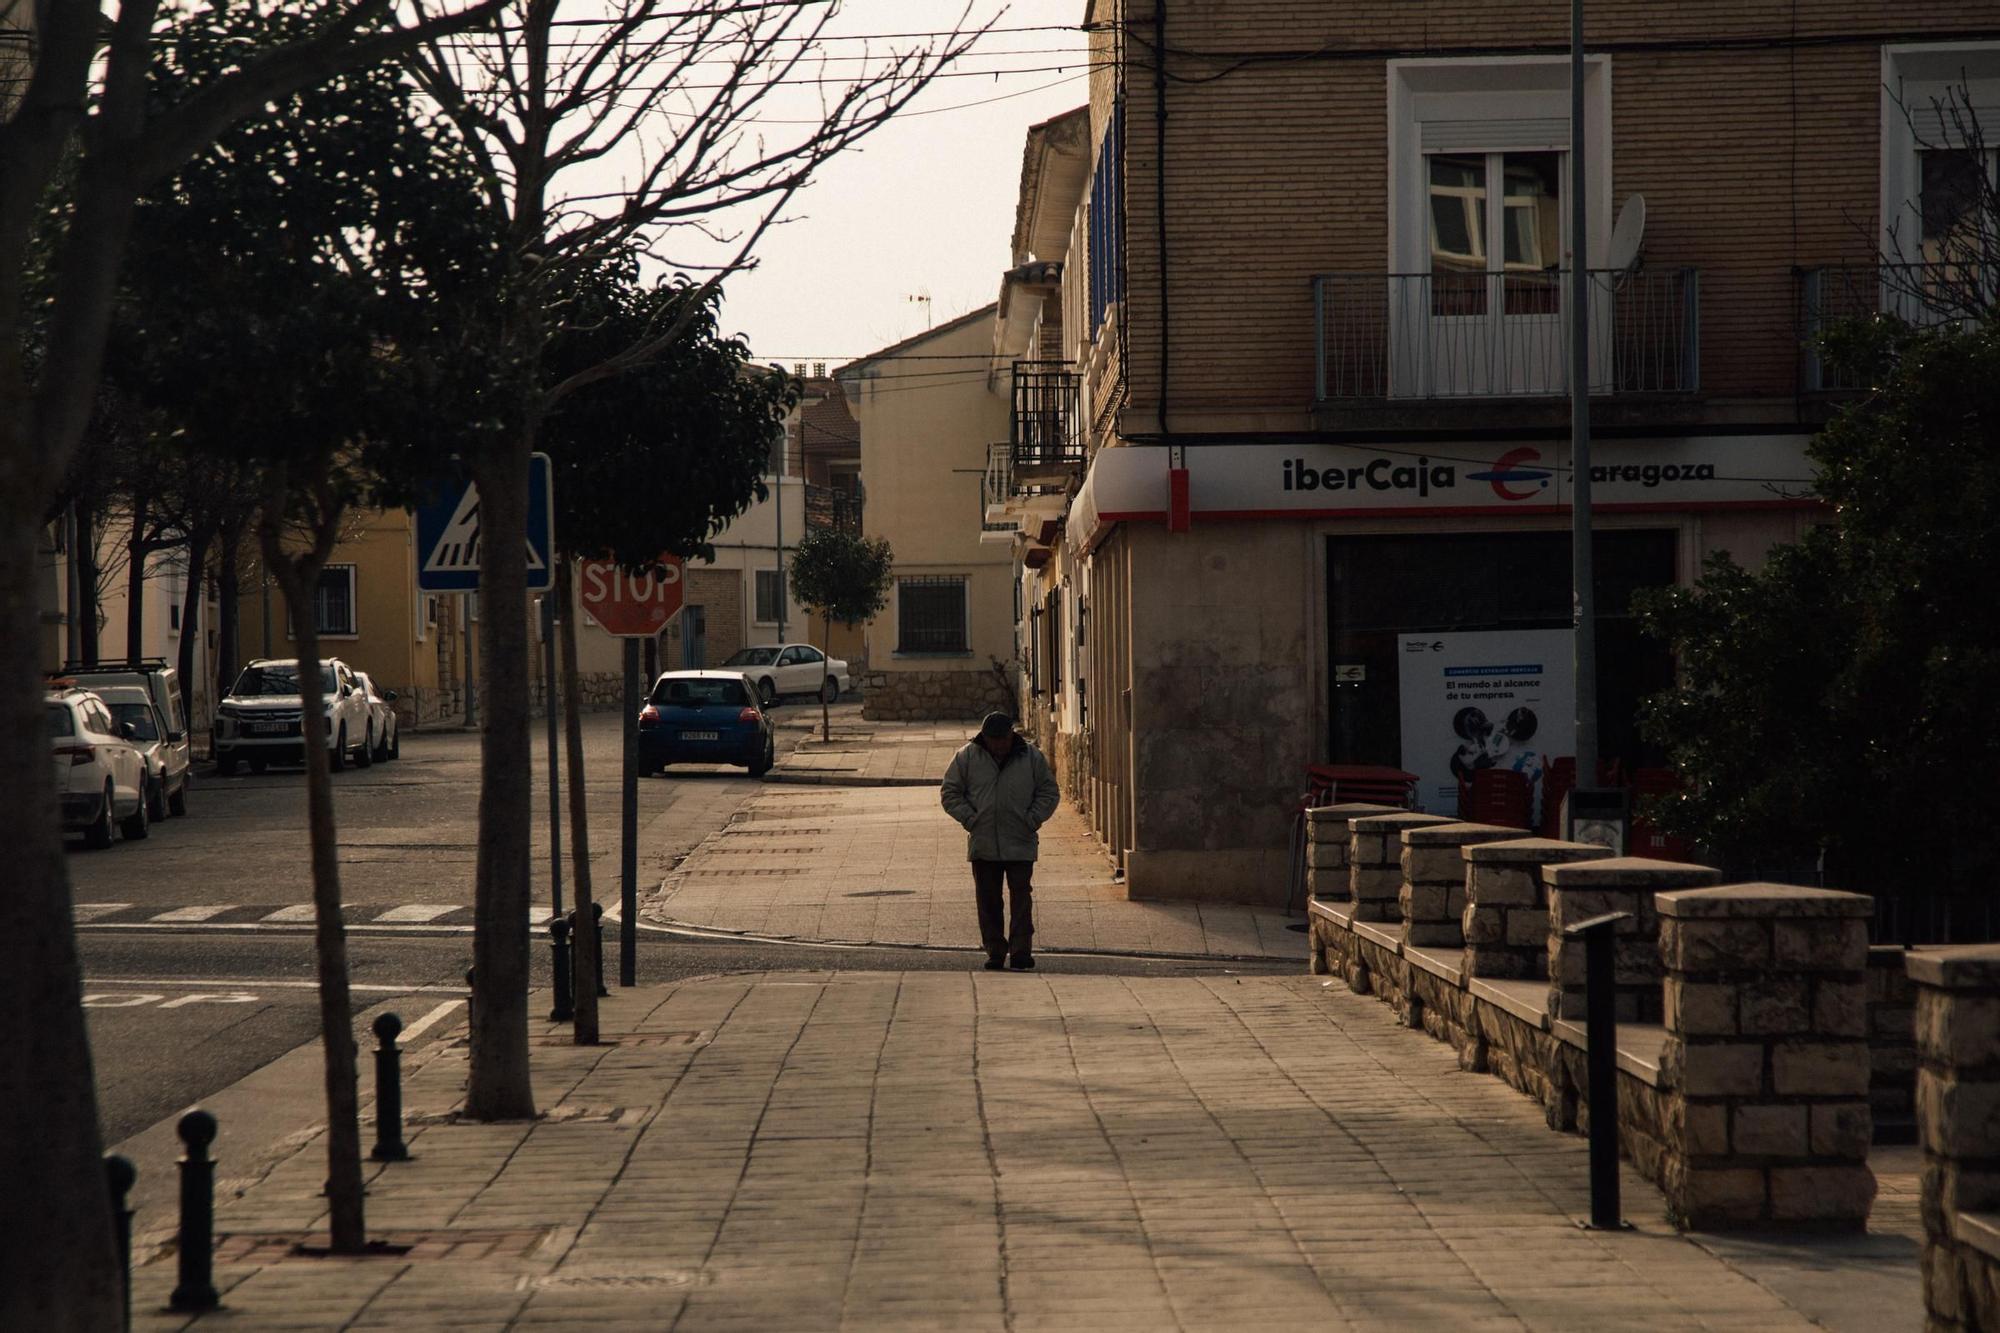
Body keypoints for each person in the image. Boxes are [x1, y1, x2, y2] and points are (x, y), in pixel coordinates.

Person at [941, 711, 1061, 971]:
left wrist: (1033, 819)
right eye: (992, 740)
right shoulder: (967, 757)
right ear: (984, 738)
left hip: (1020, 838)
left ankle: (1020, 951)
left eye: (1002, 739)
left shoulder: (1030, 757)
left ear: (1011, 735)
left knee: (1021, 897)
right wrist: (970, 819)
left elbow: (1049, 791)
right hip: (984, 841)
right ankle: (995, 950)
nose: (998, 745)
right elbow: (950, 792)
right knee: (988, 900)